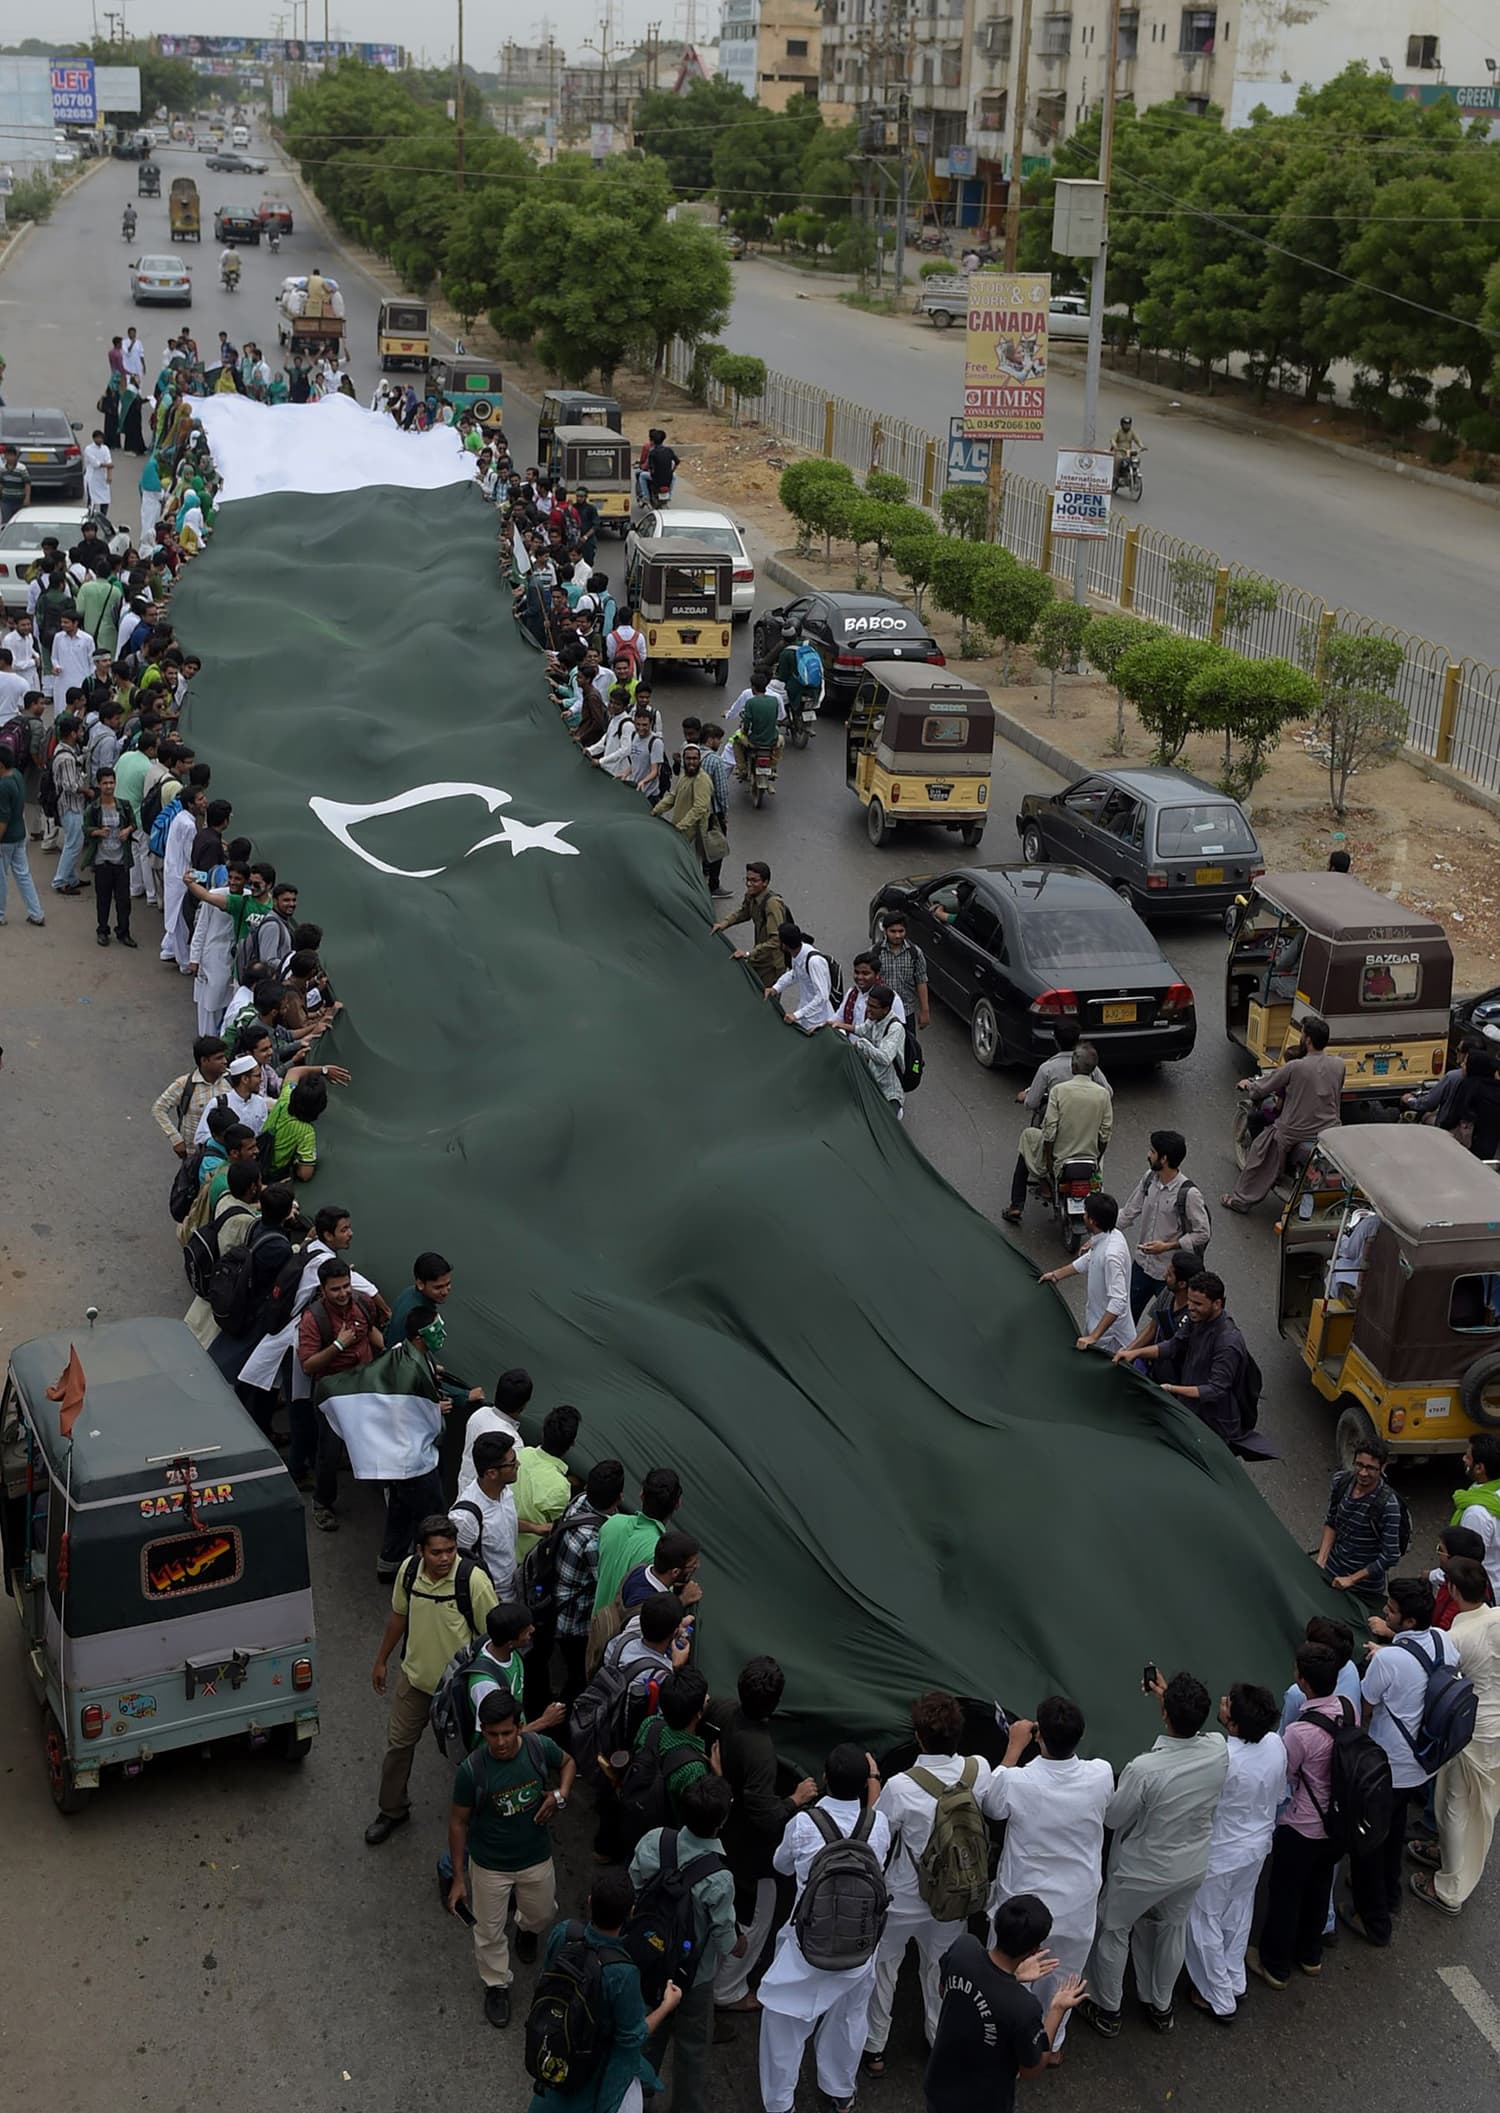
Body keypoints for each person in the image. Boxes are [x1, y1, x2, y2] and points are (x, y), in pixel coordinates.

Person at [1082, 1669, 1228, 2038]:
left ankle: (1107, 2008)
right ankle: (1161, 2007)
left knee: (1114, 1930)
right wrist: (1167, 1697)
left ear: (1166, 1715)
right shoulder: (1218, 1749)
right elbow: (1188, 1726)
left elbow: (1115, 1817)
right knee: (1172, 1931)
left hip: (1142, 1870)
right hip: (1192, 1865)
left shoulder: (1144, 1769)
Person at [862, 1692, 994, 2078]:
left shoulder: (901, 1786)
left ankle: (875, 2048)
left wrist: (873, 1782)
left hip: (904, 1893)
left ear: (918, 1737)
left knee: (885, 1965)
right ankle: (938, 2038)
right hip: (956, 1895)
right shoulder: (978, 1770)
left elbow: (878, 1832)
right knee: (940, 1969)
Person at [757, 1742, 893, 2113]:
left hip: (806, 1947)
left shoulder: (803, 1823)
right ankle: (839, 2091)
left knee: (783, 2024)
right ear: (866, 1784)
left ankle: (780, 2103)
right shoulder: (878, 1825)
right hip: (860, 1949)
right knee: (849, 2020)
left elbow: (781, 1865)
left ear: (824, 1779)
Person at [977, 1695, 1113, 2051]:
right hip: (1076, 1907)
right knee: (1063, 1982)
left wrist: (1012, 1747)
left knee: (1008, 1978)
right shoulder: (1101, 1774)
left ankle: (1003, 2044)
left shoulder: (1020, 1781)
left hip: (1023, 1907)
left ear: (1039, 1735)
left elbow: (991, 1804)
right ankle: (1049, 2046)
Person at [366, 1513, 499, 1846]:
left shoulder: (473, 1581)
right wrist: (381, 1660)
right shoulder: (409, 1572)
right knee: (398, 1747)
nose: (445, 1558)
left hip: (458, 1691)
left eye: (451, 1550)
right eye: (437, 1552)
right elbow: (399, 1616)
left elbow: (493, 1638)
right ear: (421, 1551)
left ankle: (480, 1817)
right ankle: (392, 1809)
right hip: (414, 1681)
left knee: (469, 1757)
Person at [446, 1686, 574, 2028]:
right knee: (488, 1932)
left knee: (543, 1913)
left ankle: (526, 1929)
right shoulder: (472, 1771)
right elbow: (458, 1822)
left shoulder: (537, 1748)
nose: (500, 1742)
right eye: (492, 1735)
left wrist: (560, 1796)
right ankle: (496, 1984)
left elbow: (567, 1764)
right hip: (490, 1866)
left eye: (506, 1733)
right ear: (482, 1732)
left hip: (535, 1857)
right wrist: (459, 1878)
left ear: (519, 1726)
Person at [1344, 1575, 1458, 1947]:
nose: (1384, 1612)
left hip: (1386, 1766)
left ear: (1408, 1622)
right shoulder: (1444, 1640)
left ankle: (1373, 1920)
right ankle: (1390, 1893)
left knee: (1367, 1842)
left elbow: (1366, 1708)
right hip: (1422, 1763)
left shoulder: (1389, 1659)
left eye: (1391, 1610)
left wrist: (1381, 1654)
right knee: (1393, 1832)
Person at [711, 1657, 819, 2017]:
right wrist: (796, 1799)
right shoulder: (760, 1753)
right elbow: (765, 1816)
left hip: (727, 1835)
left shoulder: (726, 1713)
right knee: (755, 1920)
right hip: (752, 1855)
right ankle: (727, 1991)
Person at [524, 1866, 680, 2113]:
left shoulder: (565, 1932)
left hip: (556, 2045)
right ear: (630, 1913)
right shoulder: (623, 1973)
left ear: (589, 1902)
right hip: (592, 2071)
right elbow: (632, 2037)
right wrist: (666, 2006)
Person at [628, 1774, 738, 2111]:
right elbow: (724, 1939)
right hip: (694, 1976)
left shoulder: (655, 1840)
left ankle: (635, 2095)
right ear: (722, 1821)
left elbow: (633, 1884)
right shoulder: (719, 1878)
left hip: (648, 1958)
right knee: (692, 2047)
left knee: (649, 2029)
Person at [924, 1893, 1087, 2113]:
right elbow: (1031, 2068)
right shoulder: (1023, 2007)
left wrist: (1013, 1977)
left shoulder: (964, 1949)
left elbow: (945, 1991)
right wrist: (1057, 2009)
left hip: (939, 2086)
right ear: (1034, 1950)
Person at [1182, 1684, 1286, 2021]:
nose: (1223, 1702)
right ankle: (1233, 1978)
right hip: (1257, 1846)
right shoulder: (1275, 1744)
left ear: (1235, 1725)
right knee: (1239, 1913)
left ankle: (1218, 1996)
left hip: (1222, 1853)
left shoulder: (1224, 1760)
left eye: (1228, 1704)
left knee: (1203, 1920)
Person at [1246, 1641, 1346, 1989]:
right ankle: (1310, 1954)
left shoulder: (1300, 1732)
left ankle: (1274, 1964)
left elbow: (1284, 1775)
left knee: (1286, 1894)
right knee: (1319, 1887)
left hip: (1303, 1825)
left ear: (1302, 1681)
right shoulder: (1345, 1709)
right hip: (1337, 1821)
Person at [1410, 1555, 1500, 1914]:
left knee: (1452, 1804)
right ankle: (1451, 1859)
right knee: (1482, 1804)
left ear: (1453, 1590)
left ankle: (1449, 1886)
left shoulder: (1457, 1637)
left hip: (1471, 1732)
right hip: (1495, 1728)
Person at [1222, 1017, 1346, 1211]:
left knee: (1257, 1154)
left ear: (1307, 1040)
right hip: (1330, 1128)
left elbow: (1263, 1088)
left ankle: (1240, 1201)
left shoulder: (1295, 1067)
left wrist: (1250, 1085)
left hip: (1294, 1131)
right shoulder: (1339, 1064)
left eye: (1303, 1033)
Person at [296, 1257, 384, 1531]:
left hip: (365, 1387)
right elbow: (308, 1365)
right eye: (336, 1289)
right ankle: (322, 1502)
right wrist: (338, 1344)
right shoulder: (313, 1319)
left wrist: (390, 1351)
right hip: (334, 1396)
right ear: (322, 1290)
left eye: (346, 1286)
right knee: (329, 1453)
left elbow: (371, 1332)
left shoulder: (362, 1303)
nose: (343, 1293)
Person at [1132, 1271, 1255, 1445]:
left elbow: (1215, 1390)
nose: (1190, 1307)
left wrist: (1172, 1389)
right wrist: (1135, 1352)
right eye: (1190, 1301)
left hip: (1213, 1426)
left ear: (1217, 1304)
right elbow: (1174, 1345)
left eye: (1197, 1303)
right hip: (1191, 1413)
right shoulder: (1197, 1319)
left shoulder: (1228, 1342)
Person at [1006, 1044, 1111, 1224]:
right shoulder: (1103, 1094)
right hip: (1090, 1159)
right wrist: (1097, 1156)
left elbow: (1049, 1132)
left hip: (1059, 1158)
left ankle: (1016, 1204)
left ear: (1073, 1066)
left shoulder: (1059, 1091)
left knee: (1028, 1136)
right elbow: (1105, 1133)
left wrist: (1049, 1160)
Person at [1115, 1130, 1211, 1319]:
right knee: (1125, 1317)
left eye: (1152, 1151)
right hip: (1142, 1266)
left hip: (1169, 1276)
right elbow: (1128, 1212)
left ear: (1164, 1158)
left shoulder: (1189, 1194)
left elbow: (1202, 1233)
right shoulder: (1150, 1178)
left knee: (1164, 1326)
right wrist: (1102, 1231)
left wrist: (1168, 1246)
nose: (1148, 1155)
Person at [554, 1460, 626, 1705]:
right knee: (579, 1679)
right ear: (619, 1497)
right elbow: (607, 1582)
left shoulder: (579, 1502)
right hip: (575, 1623)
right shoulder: (594, 1539)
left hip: (560, 1605)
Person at [1039, 1193, 1134, 1356]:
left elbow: (1118, 1301)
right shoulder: (1109, 1237)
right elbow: (1090, 1260)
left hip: (1109, 1339)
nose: (1083, 1216)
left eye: (1085, 1213)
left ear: (1093, 1221)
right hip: (1097, 1328)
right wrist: (1056, 1275)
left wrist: (1093, 1336)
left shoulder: (1111, 1255)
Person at [1315, 1435, 1404, 1609]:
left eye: (1370, 1468)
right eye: (1360, 1465)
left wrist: (1352, 1579)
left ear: (1383, 1467)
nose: (1363, 1473)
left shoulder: (1388, 1505)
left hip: (1364, 1590)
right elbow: (1331, 1521)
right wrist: (1321, 1561)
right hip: (1332, 1573)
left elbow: (1390, 1555)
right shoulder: (1341, 1482)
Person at [594, 1467, 684, 1613]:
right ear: (678, 1504)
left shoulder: (612, 1523)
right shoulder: (661, 1553)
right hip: (624, 1634)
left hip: (596, 1626)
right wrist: (684, 1599)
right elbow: (659, 1611)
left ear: (641, 1495)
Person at [453, 1429, 522, 1602]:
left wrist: (538, 1528)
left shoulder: (505, 1491)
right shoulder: (465, 1518)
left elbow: (505, 1524)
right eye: (512, 1463)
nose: (518, 1465)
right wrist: (487, 1596)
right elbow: (457, 1564)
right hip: (489, 1598)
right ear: (492, 1473)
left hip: (513, 1589)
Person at [1110, 1247, 1197, 1369]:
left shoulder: (1194, 1315)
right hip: (1151, 1363)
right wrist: (1128, 1351)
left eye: (1170, 1275)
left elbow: (1173, 1348)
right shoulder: (1168, 1292)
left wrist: (1135, 1352)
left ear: (1182, 1284)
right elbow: (1152, 1327)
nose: (1164, 1275)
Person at [80, 764, 137, 947]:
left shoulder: (124, 806)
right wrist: (97, 832)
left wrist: (127, 830)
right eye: (105, 783)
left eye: (111, 782)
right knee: (103, 899)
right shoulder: (94, 809)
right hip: (102, 861)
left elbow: (133, 824)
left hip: (121, 861)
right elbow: (86, 829)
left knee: (123, 901)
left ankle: (123, 931)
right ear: (99, 784)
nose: (109, 786)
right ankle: (102, 930)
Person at [831, 981, 907, 1118]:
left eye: (873, 1007)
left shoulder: (895, 1028)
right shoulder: (875, 1018)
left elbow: (885, 1057)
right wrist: (837, 1025)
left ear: (886, 1009)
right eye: (868, 1004)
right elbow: (862, 1029)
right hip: (872, 1083)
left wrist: (862, 1044)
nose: (869, 1010)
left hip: (889, 1092)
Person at [712, 861, 790, 989]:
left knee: (766, 1001)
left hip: (771, 965)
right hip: (759, 957)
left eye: (754, 880)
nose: (749, 884)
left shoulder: (773, 904)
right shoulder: (751, 895)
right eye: (747, 879)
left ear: (765, 882)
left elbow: (776, 941)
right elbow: (744, 912)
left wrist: (748, 954)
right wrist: (723, 924)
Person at [152, 1034, 230, 1157]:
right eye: (219, 1058)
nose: (225, 1061)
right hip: (194, 1156)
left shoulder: (231, 1081)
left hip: (226, 1155)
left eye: (224, 1056)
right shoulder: (185, 1084)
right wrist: (176, 1139)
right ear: (204, 1061)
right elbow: (159, 1108)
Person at [458, 1366, 535, 1489]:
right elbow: (511, 1484)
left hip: (464, 1491)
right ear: (524, 1405)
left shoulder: (479, 1414)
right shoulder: (514, 1442)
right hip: (487, 1503)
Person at [1452, 1432, 1500, 1602]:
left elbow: (1467, 1564)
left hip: (1484, 1595)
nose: (1464, 1459)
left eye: (1468, 1456)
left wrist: (1431, 1576)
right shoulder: (1492, 1494)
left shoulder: (1477, 1513)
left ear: (1480, 1468)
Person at [0, 748, 45, 927]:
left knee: (1, 877)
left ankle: (0, 914)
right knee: (23, 874)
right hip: (20, 833)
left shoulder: (3, 786)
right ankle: (36, 913)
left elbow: (2, 819)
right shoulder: (17, 775)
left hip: (6, 839)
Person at [767, 921, 836, 1032]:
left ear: (784, 945)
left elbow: (822, 997)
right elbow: (795, 974)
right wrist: (776, 988)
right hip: (806, 1017)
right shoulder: (797, 954)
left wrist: (797, 1015)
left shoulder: (814, 962)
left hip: (819, 1021)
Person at [48, 713, 87, 895]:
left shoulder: (62, 750)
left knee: (73, 842)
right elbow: (70, 785)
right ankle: (61, 880)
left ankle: (71, 878)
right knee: (74, 844)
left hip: (66, 805)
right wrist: (87, 790)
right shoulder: (67, 758)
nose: (81, 733)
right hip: (71, 805)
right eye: (79, 730)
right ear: (72, 733)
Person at [872, 913, 930, 1031]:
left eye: (901, 931)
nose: (897, 935)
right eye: (893, 931)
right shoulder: (875, 953)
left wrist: (925, 1011)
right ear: (885, 931)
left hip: (906, 1013)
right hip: (881, 1014)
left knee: (907, 1048)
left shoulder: (915, 953)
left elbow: (921, 981)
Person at [1110, 415, 1144, 490]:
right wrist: (1115, 446)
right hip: (1119, 451)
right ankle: (1115, 478)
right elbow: (1112, 440)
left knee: (1135, 460)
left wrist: (1141, 446)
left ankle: (1133, 475)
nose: (1127, 426)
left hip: (1128, 452)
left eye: (1128, 424)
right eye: (1125, 424)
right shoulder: (1118, 432)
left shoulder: (1132, 432)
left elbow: (1137, 440)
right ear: (1122, 424)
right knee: (1118, 459)